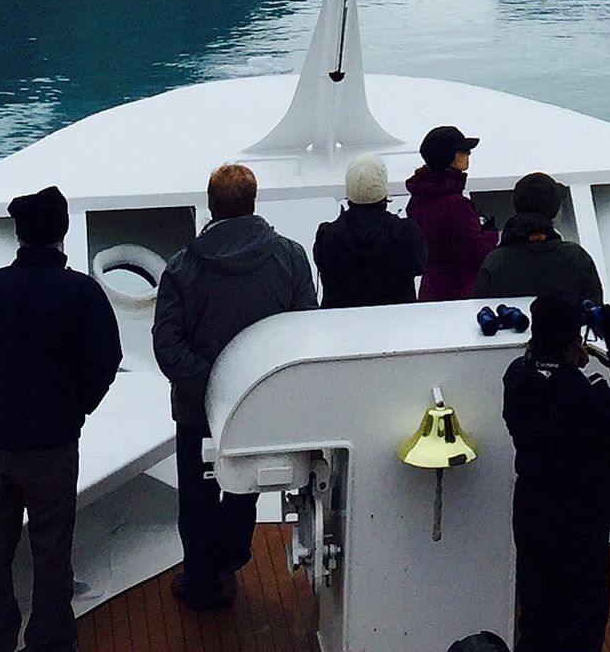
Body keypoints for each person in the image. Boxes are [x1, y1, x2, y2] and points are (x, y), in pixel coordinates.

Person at [152, 163, 316, 612]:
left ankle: (201, 577)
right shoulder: (290, 257)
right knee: (243, 484)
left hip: (197, 407)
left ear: (210, 205)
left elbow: (167, 346)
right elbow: (303, 328)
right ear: (253, 203)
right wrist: (247, 381)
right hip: (256, 402)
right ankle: (228, 564)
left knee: (199, 492)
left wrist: (212, 383)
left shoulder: (182, 267)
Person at [0, 186, 121, 652]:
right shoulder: (82, 294)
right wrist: (76, 407)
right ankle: (52, 641)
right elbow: (105, 361)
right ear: (61, 234)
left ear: (19, 236)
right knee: (52, 550)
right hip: (53, 447)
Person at [502, 293, 610, 652]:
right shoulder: (585, 402)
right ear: (572, 342)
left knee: (536, 621)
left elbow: (546, 375)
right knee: (580, 625)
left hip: (532, 513)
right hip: (579, 524)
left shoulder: (516, 380)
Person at [313, 155, 428, 308]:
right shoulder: (407, 232)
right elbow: (420, 266)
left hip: (340, 325)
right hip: (398, 324)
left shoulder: (327, 236)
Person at [474, 173, 601, 304]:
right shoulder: (576, 257)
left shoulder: (494, 261)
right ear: (555, 211)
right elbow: (595, 311)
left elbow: (480, 309)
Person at [407, 125, 499, 301]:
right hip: (459, 295)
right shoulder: (456, 205)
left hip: (430, 291)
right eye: (464, 151)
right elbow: (477, 255)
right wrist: (490, 233)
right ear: (450, 158)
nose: (468, 156)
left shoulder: (417, 199)